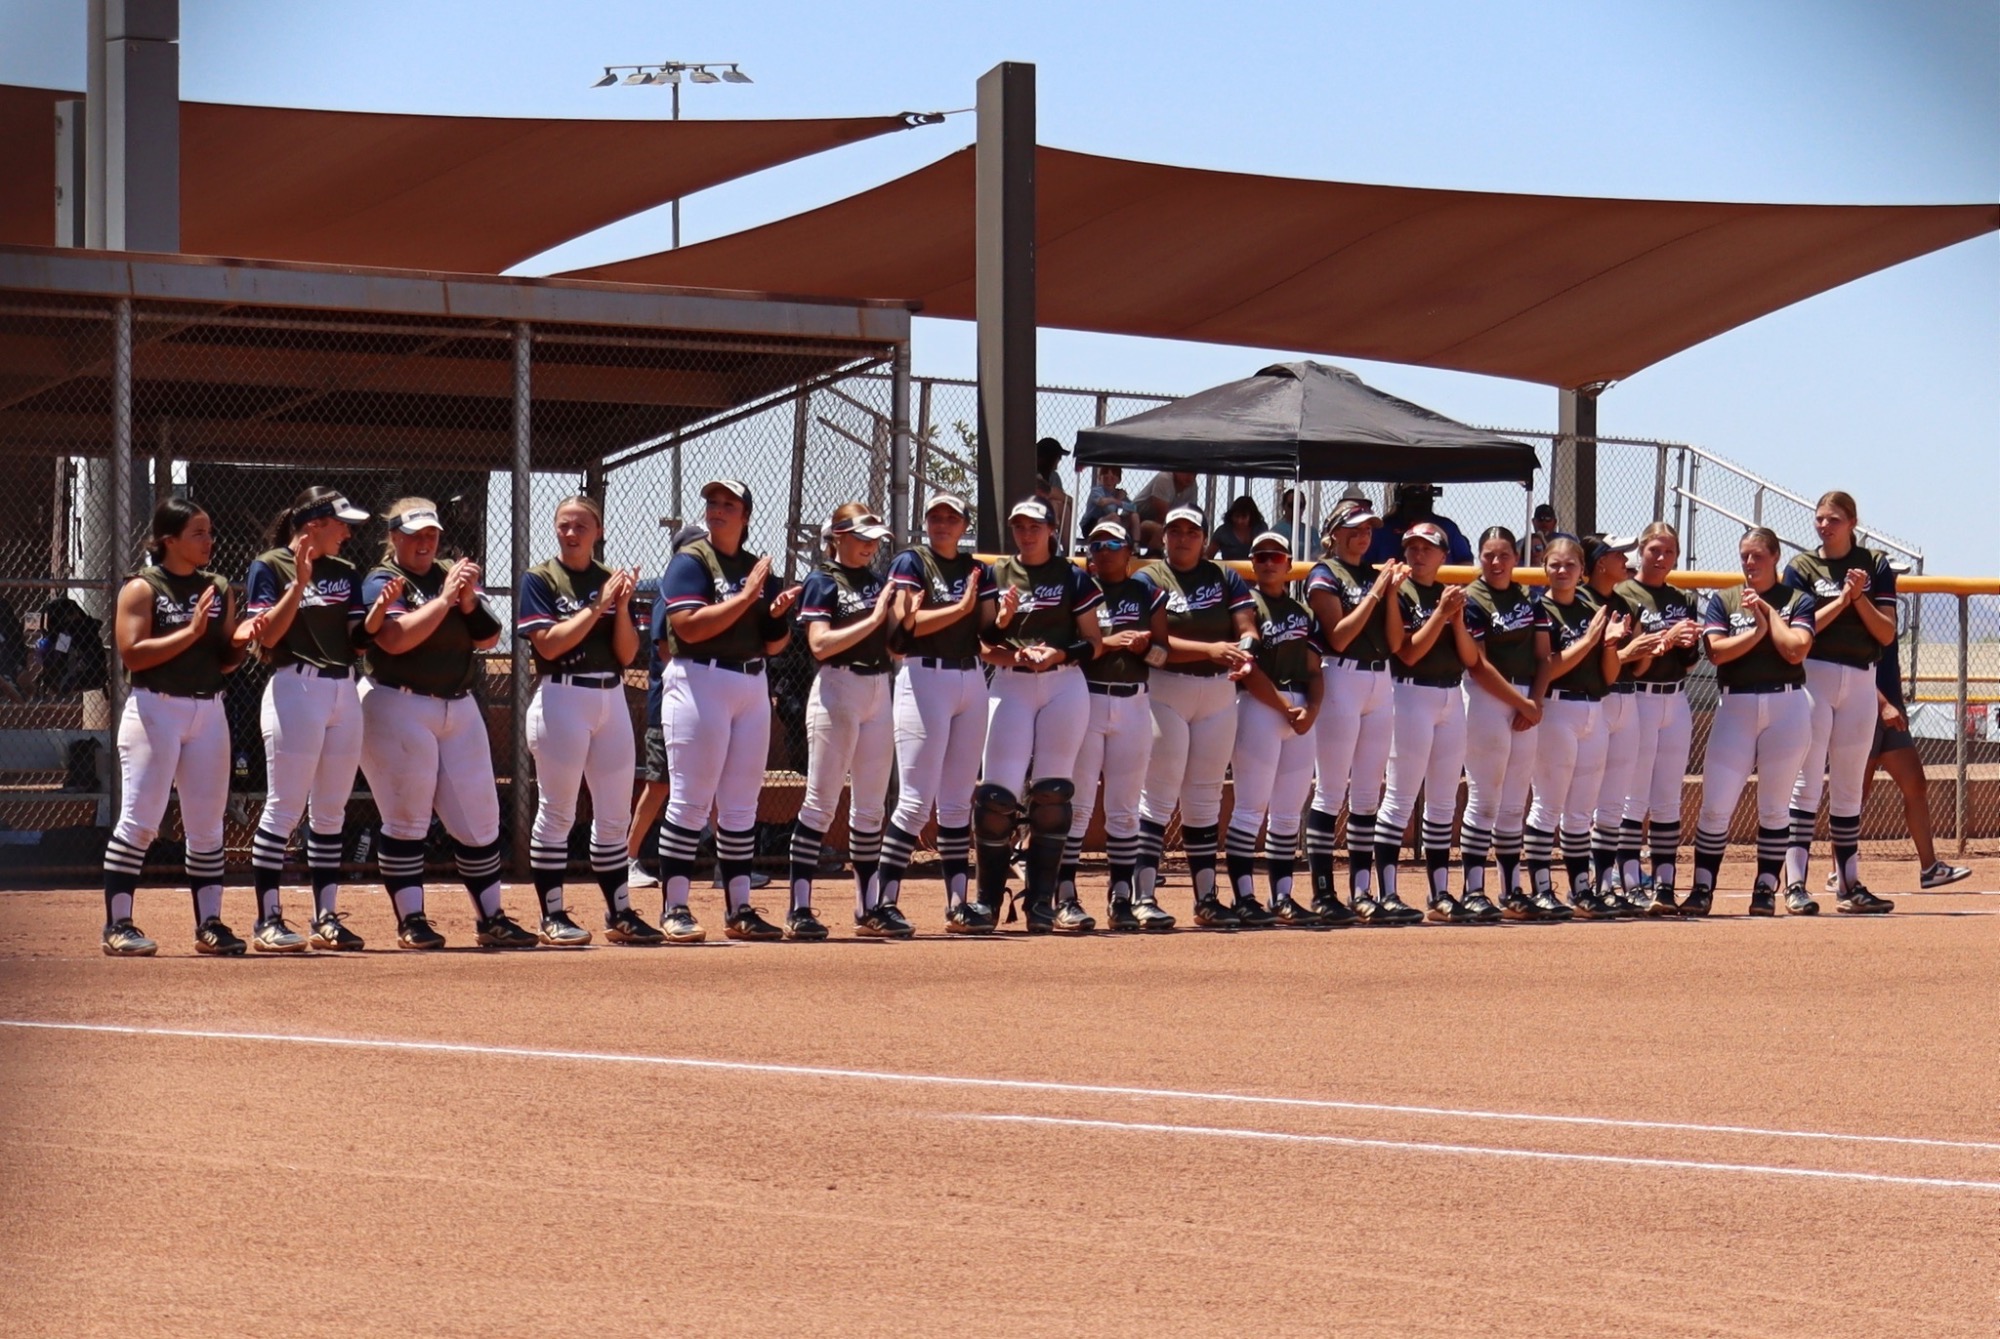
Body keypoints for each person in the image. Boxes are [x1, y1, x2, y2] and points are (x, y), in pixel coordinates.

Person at [359, 499, 537, 950]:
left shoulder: (447, 574)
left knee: (480, 818)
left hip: (458, 706)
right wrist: (443, 600)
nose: (425, 542)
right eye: (415, 534)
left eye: (431, 534)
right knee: (406, 818)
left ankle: (491, 918)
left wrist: (468, 598)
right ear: (394, 536)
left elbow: (489, 636)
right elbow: (395, 640)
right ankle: (411, 920)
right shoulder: (383, 581)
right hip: (398, 702)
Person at [99, 499, 258, 956]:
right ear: (169, 540)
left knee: (207, 826)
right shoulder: (143, 588)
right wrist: (189, 632)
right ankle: (118, 924)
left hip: (209, 710)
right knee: (141, 820)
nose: (209, 541)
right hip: (155, 710)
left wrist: (244, 642)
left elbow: (224, 661)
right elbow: (133, 654)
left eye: (210, 532)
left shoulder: (219, 587)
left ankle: (210, 924)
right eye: (198, 533)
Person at [654, 479, 802, 943]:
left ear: (745, 515)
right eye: (713, 503)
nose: (717, 510)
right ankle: (675, 905)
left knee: (741, 806)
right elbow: (688, 628)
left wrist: (774, 615)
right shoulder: (691, 561)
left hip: (751, 682)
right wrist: (744, 599)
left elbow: (776, 644)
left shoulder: (757, 567)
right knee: (690, 799)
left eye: (728, 504)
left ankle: (740, 907)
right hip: (701, 678)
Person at [518, 495, 660, 947]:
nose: (571, 533)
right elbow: (549, 646)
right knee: (557, 811)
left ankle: (619, 912)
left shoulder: (610, 580)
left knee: (614, 815)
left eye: (581, 526)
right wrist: (596, 606)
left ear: (597, 531)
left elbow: (626, 654)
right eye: (564, 525)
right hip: (562, 696)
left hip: (610, 696)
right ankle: (552, 914)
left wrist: (619, 607)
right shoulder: (540, 578)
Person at [241, 486, 373, 953]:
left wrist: (377, 619)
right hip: (295, 686)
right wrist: (298, 583)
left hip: (343, 687)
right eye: (340, 523)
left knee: (331, 810)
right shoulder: (270, 564)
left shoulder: (345, 571)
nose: (348, 532)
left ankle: (326, 916)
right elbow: (267, 636)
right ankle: (268, 919)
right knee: (284, 806)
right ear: (313, 524)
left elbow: (357, 638)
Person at [976, 496, 1102, 932]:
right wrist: (1014, 650)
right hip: (1012, 683)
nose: (1026, 534)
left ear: (1051, 529)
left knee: (1052, 791)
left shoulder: (1072, 576)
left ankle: (1041, 902)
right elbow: (984, 641)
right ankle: (987, 902)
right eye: (1019, 526)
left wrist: (1058, 652)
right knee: (996, 797)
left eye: (1034, 526)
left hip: (1064, 682)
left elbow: (1095, 643)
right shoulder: (996, 573)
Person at [876, 493, 993, 933]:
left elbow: (986, 626)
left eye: (951, 517)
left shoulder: (977, 568)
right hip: (924, 676)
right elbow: (908, 625)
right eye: (935, 516)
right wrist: (960, 609)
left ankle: (958, 904)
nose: (942, 523)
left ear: (964, 525)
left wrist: (1002, 613)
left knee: (958, 801)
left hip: (970, 678)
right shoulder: (912, 562)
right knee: (914, 800)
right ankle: (883, 904)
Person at [1136, 505, 1257, 928]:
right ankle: (1142, 897)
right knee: (1159, 793)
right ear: (1163, 536)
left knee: (1205, 798)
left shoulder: (1224, 576)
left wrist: (1245, 650)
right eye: (1175, 531)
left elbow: (1247, 625)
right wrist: (1208, 650)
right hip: (1166, 689)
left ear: (1205, 537)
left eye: (1191, 531)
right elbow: (1153, 643)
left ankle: (1207, 898)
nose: (1182, 538)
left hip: (1219, 692)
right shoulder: (1150, 578)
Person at [1690, 526, 1817, 917]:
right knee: (1715, 805)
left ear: (1775, 557)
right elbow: (1717, 653)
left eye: (1757, 555)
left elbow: (1795, 651)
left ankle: (1765, 887)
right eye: (1744, 555)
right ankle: (1702, 888)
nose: (1749, 563)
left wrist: (1767, 614)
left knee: (1776, 808)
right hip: (1737, 706)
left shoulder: (1797, 599)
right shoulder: (1725, 599)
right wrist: (1758, 630)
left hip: (1787, 705)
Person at [1783, 491, 1898, 915]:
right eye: (1819, 519)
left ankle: (1849, 884)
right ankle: (1795, 883)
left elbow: (1886, 633)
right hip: (1815, 675)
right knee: (1807, 780)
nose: (1823, 526)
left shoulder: (1875, 564)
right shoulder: (1802, 567)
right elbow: (1802, 628)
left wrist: (1860, 596)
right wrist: (1843, 599)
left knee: (1849, 784)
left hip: (1862, 679)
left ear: (1851, 522)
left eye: (1833, 519)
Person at [788, 504, 898, 941]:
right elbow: (819, 644)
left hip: (879, 688)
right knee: (821, 802)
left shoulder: (876, 581)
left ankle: (868, 907)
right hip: (838, 688)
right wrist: (873, 617)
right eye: (860, 537)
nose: (869, 545)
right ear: (838, 537)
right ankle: (799, 908)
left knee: (871, 806)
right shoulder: (822, 580)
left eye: (874, 539)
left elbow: (895, 643)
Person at [1059, 518, 1172, 931]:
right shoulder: (1078, 587)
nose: (1103, 550)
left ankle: (1122, 898)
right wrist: (1109, 642)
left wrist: (1144, 649)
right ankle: (1065, 897)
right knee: (1079, 805)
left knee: (1124, 810)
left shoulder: (1145, 591)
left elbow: (1165, 652)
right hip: (1085, 698)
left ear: (1129, 551)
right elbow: (1068, 649)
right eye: (1095, 543)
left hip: (1134, 702)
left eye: (1112, 543)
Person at [1302, 498, 1404, 926]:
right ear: (1334, 533)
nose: (1362, 537)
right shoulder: (1324, 574)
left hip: (1380, 679)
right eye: (1354, 530)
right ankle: (1324, 892)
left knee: (1367, 792)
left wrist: (1391, 593)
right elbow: (1339, 637)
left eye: (1367, 531)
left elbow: (1396, 642)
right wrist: (1379, 590)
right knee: (1330, 790)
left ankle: (1363, 890)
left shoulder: (1373, 573)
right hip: (1341, 676)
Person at [1375, 521, 1480, 924]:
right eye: (1412, 548)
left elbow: (1470, 658)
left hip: (1452, 695)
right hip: (1409, 693)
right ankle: (1388, 893)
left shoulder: (1451, 596)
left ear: (1442, 555)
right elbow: (1408, 653)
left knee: (1441, 800)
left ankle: (1440, 893)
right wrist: (1441, 613)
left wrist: (1453, 617)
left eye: (1427, 548)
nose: (1418, 555)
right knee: (1400, 796)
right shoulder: (1399, 592)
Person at [1522, 537, 1631, 919]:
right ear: (1545, 568)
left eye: (1570, 565)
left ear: (1582, 570)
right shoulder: (1540, 609)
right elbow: (1547, 667)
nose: (1563, 571)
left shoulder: (1592, 607)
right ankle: (1540, 889)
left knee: (1582, 809)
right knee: (1548, 804)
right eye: (1555, 564)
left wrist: (1610, 646)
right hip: (1556, 708)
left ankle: (1581, 890)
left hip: (1593, 708)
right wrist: (1588, 640)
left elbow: (1609, 673)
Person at [1222, 530, 1325, 925]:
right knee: (1250, 808)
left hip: (1300, 710)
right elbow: (1248, 670)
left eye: (1276, 556)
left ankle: (1282, 897)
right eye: (1261, 557)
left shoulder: (1304, 613)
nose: (1268, 563)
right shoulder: (1247, 607)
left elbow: (1315, 669)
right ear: (1252, 564)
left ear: (1288, 564)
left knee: (1286, 812)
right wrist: (1286, 707)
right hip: (1260, 707)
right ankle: (1245, 898)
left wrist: (1313, 708)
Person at [1614, 522, 1704, 914]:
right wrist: (1662, 641)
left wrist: (1687, 644)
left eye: (1668, 552)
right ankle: (1629, 879)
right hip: (1639, 698)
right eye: (1654, 550)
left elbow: (1687, 665)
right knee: (1634, 796)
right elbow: (1628, 662)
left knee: (1668, 798)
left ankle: (1665, 884)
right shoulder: (1624, 593)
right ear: (1641, 551)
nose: (1661, 558)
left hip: (1675, 699)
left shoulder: (1682, 598)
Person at [1836, 632, 1971, 893]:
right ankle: (1839, 871)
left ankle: (1930, 868)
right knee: (1854, 795)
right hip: (1864, 707)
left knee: (1915, 784)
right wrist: (1882, 703)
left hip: (1891, 707)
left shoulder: (1883, 606)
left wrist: (1893, 701)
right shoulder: (1852, 604)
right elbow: (1850, 668)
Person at [1459, 525, 1543, 920]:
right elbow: (1477, 665)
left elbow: (1544, 656)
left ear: (1516, 558)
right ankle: (1472, 889)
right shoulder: (1472, 598)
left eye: (1504, 554)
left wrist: (1534, 702)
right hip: (1488, 700)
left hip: (1524, 699)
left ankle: (1511, 890)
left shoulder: (1529, 598)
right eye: (1489, 555)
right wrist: (1523, 704)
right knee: (1485, 798)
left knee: (1514, 803)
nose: (1496, 562)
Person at [1583, 537, 1658, 907]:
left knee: (1614, 800)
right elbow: (1590, 662)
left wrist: (1648, 649)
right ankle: (1585, 883)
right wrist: (1628, 651)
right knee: (1585, 799)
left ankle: (1604, 883)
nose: (1624, 558)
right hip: (1596, 699)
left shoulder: (1627, 605)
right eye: (1616, 554)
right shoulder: (1582, 602)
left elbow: (1638, 666)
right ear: (1599, 563)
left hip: (1628, 699)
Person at [1367, 483, 1473, 564]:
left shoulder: (1446, 527)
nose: (1419, 503)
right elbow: (1366, 562)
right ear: (1402, 500)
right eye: (1413, 497)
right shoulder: (1383, 528)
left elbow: (1465, 562)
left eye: (1424, 497)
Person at [1133, 470, 1200, 552]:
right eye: (1187, 471)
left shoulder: (1191, 486)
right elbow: (1161, 516)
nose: (1191, 477)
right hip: (1135, 523)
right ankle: (1153, 557)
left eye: (1194, 473)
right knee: (1161, 531)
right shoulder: (1165, 478)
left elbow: (1190, 515)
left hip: (1160, 523)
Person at [1034, 437, 1074, 548]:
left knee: (1063, 507)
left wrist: (1066, 499)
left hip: (1051, 510)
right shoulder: (1031, 471)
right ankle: (1051, 539)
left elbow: (1061, 496)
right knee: (1054, 504)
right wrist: (1064, 497)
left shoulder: (1053, 476)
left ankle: (1067, 549)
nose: (1059, 461)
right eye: (1058, 457)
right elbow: (1045, 492)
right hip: (1035, 511)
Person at [1080, 466, 1138, 538]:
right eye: (1105, 478)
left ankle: (1135, 546)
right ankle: (1113, 541)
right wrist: (1116, 499)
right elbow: (1107, 508)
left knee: (1134, 516)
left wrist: (1118, 501)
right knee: (1114, 517)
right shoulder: (1097, 491)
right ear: (1099, 478)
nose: (1109, 481)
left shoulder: (1118, 492)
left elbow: (1133, 507)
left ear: (1118, 480)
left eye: (1112, 478)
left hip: (1112, 522)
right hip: (1091, 525)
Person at [1208, 495, 1268, 562]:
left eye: (1244, 517)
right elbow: (1208, 556)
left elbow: (1267, 553)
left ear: (1252, 517)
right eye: (1236, 516)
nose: (1239, 521)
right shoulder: (1222, 532)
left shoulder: (1260, 528)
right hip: (1229, 571)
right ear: (1231, 515)